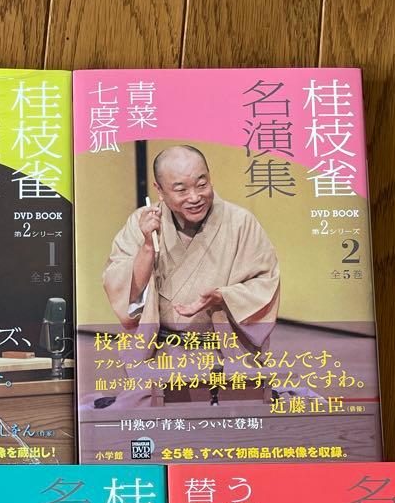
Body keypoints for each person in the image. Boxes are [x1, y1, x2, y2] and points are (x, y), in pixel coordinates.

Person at [97, 145, 279, 407]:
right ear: (159, 190)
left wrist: (223, 297)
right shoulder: (142, 223)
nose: (195, 197)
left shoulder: (241, 223)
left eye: (201, 184)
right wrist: (147, 247)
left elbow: (265, 283)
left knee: (242, 414)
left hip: (225, 353)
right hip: (161, 355)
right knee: (137, 413)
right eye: (181, 190)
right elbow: (124, 294)